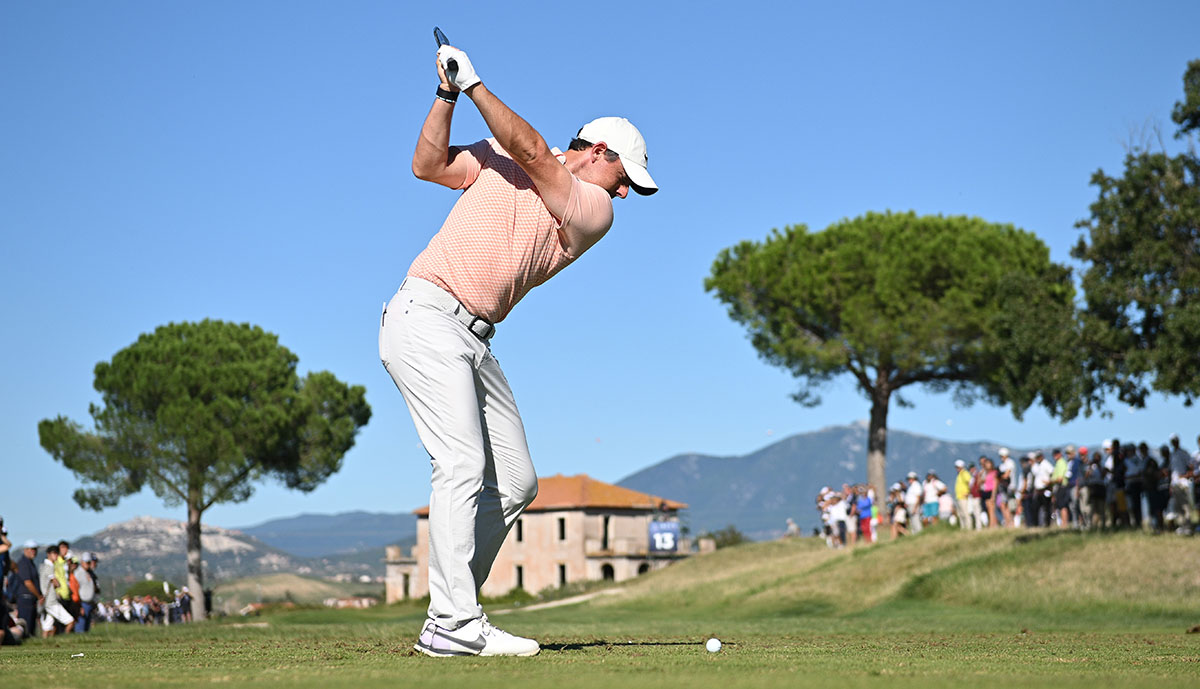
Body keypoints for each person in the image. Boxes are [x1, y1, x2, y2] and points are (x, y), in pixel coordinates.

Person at [379, 40, 656, 659]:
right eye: (625, 178)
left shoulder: (591, 211)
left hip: (474, 339)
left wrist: (476, 84)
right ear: (601, 154)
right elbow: (428, 166)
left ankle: (450, 615)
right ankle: (455, 623)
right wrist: (447, 93)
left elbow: (534, 153)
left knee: (518, 480)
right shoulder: (506, 155)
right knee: (461, 464)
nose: (626, 195)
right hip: (425, 314)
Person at [38, 545, 73, 636]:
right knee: (70, 621)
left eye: (57, 553)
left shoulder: (44, 566)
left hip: (48, 600)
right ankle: (66, 640)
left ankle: (44, 644)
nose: (56, 556)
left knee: (47, 626)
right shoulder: (49, 567)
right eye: (54, 553)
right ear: (48, 554)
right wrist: (59, 584)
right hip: (51, 601)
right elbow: (55, 582)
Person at [1167, 433, 1197, 533]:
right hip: (1174, 483)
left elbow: (1191, 466)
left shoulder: (1183, 453)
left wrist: (1185, 476)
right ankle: (1182, 525)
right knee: (1178, 506)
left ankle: (1188, 526)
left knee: (1185, 505)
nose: (1174, 443)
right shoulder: (1172, 454)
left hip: (1182, 483)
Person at [13, 541, 40, 639]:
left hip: (31, 598)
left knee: (31, 627)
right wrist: (39, 596)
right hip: (25, 598)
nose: (34, 552)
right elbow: (27, 582)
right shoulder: (23, 563)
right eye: (31, 549)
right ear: (25, 550)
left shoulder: (31, 563)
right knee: (25, 626)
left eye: (35, 549)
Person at [953, 460, 972, 529]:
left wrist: (968, 492)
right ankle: (963, 527)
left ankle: (968, 527)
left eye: (958, 467)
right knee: (961, 514)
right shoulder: (959, 474)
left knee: (965, 513)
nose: (957, 469)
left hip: (964, 497)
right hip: (959, 497)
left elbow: (970, 483)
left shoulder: (965, 473)